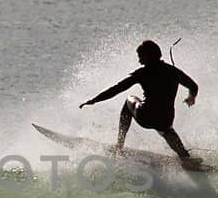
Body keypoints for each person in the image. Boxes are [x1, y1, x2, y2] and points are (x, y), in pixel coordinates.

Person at [79, 40, 200, 168]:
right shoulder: (173, 71)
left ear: (147, 56)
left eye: (140, 57)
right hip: (166, 118)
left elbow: (116, 89)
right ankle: (185, 158)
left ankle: (119, 146)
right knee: (166, 129)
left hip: (146, 116)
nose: (139, 61)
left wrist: (94, 100)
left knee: (129, 100)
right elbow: (193, 86)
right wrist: (191, 97)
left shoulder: (142, 73)